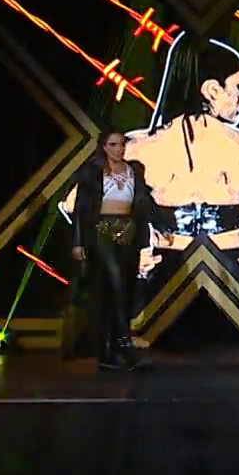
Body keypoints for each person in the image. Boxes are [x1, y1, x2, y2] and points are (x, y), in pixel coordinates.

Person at [59, 32, 239, 283]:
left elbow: (75, 205)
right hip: (228, 276)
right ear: (212, 90)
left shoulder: (139, 147)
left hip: (163, 276)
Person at [69, 131, 153, 371]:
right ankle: (121, 344)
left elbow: (143, 201)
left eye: (122, 144)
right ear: (104, 147)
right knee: (115, 283)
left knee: (124, 286)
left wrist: (158, 226)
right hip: (101, 229)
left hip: (128, 229)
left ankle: (112, 350)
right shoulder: (93, 172)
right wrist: (78, 242)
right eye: (113, 144)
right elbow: (81, 208)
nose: (119, 149)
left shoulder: (134, 170)